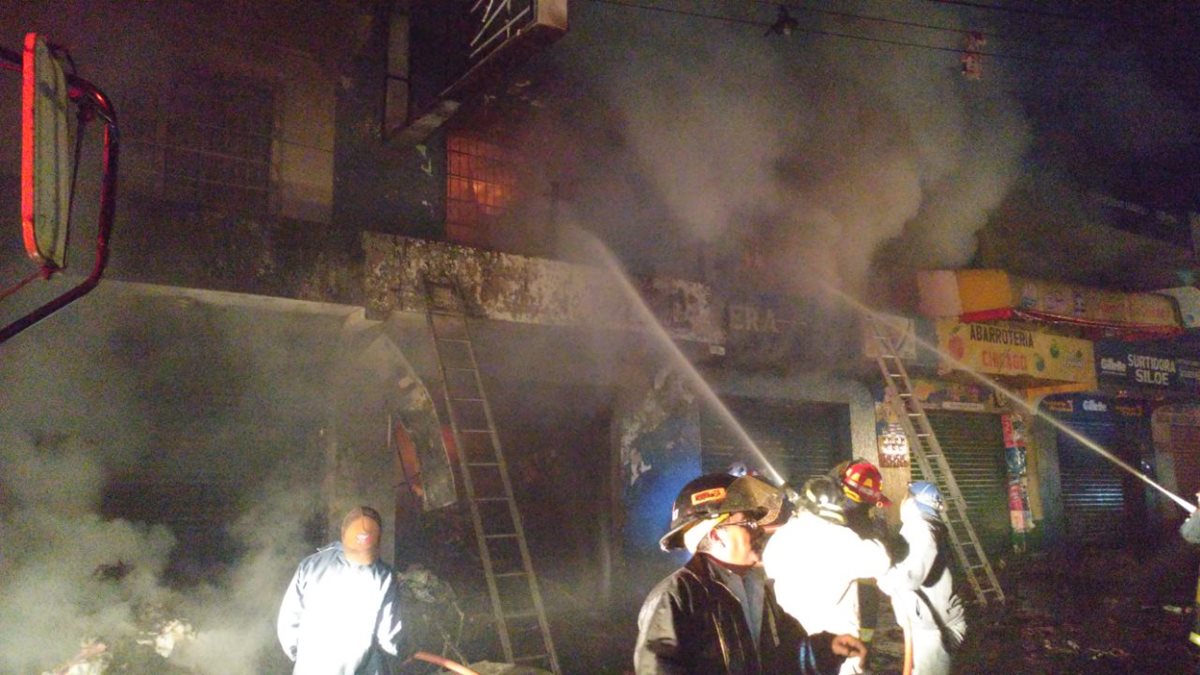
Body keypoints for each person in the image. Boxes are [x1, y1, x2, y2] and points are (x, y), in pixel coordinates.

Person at [633, 472, 867, 674]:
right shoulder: (675, 597)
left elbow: (788, 657)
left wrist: (827, 648)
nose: (759, 532)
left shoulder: (757, 589)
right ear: (716, 535)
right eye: (748, 524)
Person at [762, 476, 890, 675]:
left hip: (796, 646)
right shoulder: (843, 538)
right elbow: (880, 561)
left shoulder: (780, 538)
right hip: (839, 646)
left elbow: (769, 572)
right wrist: (877, 535)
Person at [277, 506, 404, 674]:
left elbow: (287, 626)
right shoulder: (384, 576)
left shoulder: (310, 565)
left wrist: (304, 659)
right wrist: (404, 653)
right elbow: (389, 639)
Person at [878, 482, 966, 675]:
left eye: (905, 497)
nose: (902, 502)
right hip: (930, 625)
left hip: (936, 630)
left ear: (913, 502)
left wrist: (884, 576)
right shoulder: (923, 527)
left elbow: (912, 576)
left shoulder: (924, 530)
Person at [834, 459, 896, 658]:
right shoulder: (859, 514)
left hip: (849, 587)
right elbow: (881, 546)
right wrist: (879, 519)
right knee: (865, 623)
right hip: (862, 583)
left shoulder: (836, 509)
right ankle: (863, 655)